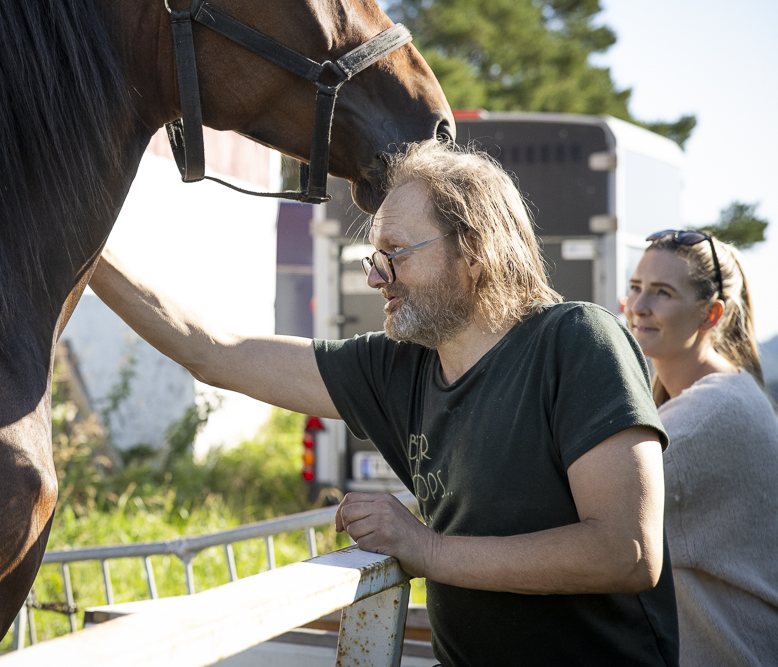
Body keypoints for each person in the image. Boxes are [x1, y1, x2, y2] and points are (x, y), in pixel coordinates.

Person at [89, 141, 678, 666]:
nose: (376, 278)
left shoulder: (577, 340)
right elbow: (216, 353)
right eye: (374, 255)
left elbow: (625, 551)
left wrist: (426, 548)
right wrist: (85, 240)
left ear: (473, 251)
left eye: (394, 251)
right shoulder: (399, 366)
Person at [626, 230, 778, 666]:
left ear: (711, 315)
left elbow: (582, 503)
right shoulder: (696, 397)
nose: (639, 306)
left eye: (662, 293)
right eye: (636, 287)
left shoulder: (709, 414)